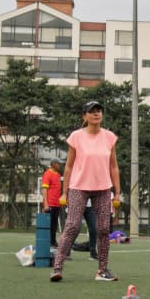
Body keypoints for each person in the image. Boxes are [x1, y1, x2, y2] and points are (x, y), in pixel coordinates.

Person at [50, 101, 120, 283]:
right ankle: (57, 267)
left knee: (104, 228)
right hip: (78, 187)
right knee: (72, 225)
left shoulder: (109, 137)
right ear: (84, 116)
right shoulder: (76, 137)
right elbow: (69, 166)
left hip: (103, 189)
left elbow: (113, 166)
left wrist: (117, 193)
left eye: (99, 111)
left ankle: (103, 270)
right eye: (92, 112)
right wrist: (65, 193)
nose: (96, 114)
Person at [40, 159, 63, 255]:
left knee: (54, 225)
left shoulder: (58, 175)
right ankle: (47, 243)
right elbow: (44, 190)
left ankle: (53, 242)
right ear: (53, 164)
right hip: (49, 204)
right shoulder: (47, 174)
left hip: (57, 204)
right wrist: (45, 203)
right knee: (48, 225)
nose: (60, 165)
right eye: (58, 164)